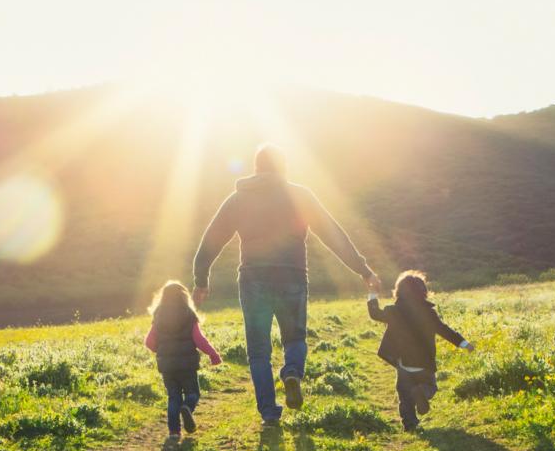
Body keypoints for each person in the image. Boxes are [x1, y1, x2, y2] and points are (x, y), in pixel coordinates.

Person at [193, 144, 380, 425]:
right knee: (295, 338)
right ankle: (292, 371)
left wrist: (201, 280)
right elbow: (332, 234)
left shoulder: (238, 199)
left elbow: (211, 239)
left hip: (253, 278)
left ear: (256, 168)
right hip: (292, 275)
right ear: (283, 167)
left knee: (258, 350)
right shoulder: (300, 195)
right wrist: (363, 270)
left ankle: (269, 413)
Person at [367, 270, 474, 432]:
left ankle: (410, 425)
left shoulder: (393, 311)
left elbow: (375, 314)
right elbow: (444, 330)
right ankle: (422, 392)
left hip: (404, 364)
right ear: (423, 292)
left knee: (405, 397)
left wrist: (373, 294)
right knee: (430, 386)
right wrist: (464, 343)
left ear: (398, 291)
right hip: (424, 363)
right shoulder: (428, 313)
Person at [145, 280, 222, 440]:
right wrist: (213, 355)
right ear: (184, 297)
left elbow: (149, 342)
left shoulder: (158, 316)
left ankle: (174, 432)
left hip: (167, 367)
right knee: (193, 393)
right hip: (187, 366)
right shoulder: (189, 314)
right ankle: (187, 408)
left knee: (173, 397)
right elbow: (199, 339)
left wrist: (161, 351)